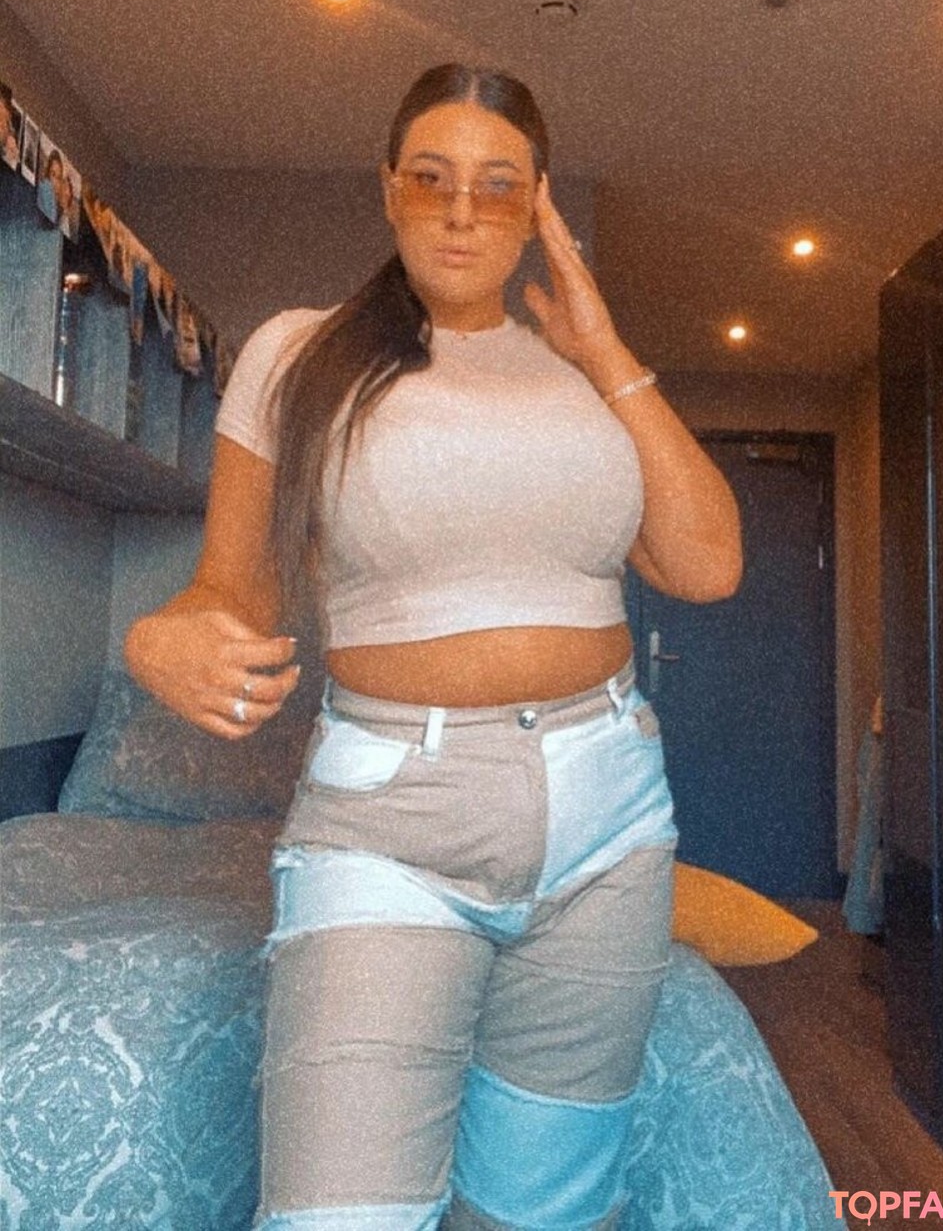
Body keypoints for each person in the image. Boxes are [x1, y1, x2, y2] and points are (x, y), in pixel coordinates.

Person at [124, 63, 742, 1231]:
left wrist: (604, 346)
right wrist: (162, 638)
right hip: (389, 821)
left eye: (499, 186)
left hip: (609, 819)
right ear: (389, 191)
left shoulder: (582, 375)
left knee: (545, 1213)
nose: (463, 211)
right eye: (432, 178)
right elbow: (225, 591)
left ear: (537, 204)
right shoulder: (298, 354)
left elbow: (708, 563)